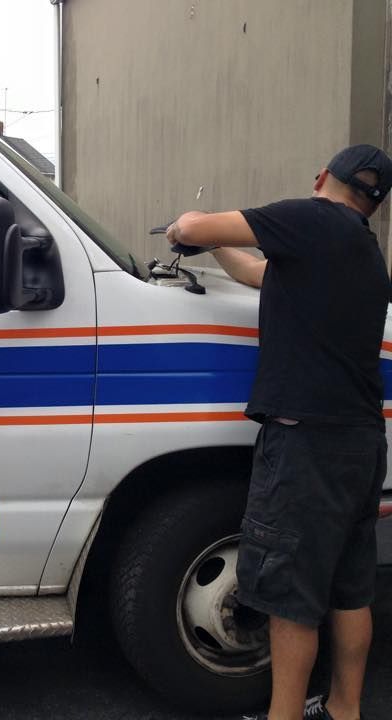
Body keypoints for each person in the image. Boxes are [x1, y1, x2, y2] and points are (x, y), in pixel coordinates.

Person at [165, 145, 392, 720]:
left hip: (306, 447)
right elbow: (252, 271)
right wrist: (217, 245)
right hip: (360, 444)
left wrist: (186, 229)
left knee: (292, 599)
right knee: (349, 589)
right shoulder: (362, 252)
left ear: (321, 178)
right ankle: (344, 709)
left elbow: (193, 224)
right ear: (376, 201)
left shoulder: (312, 219)